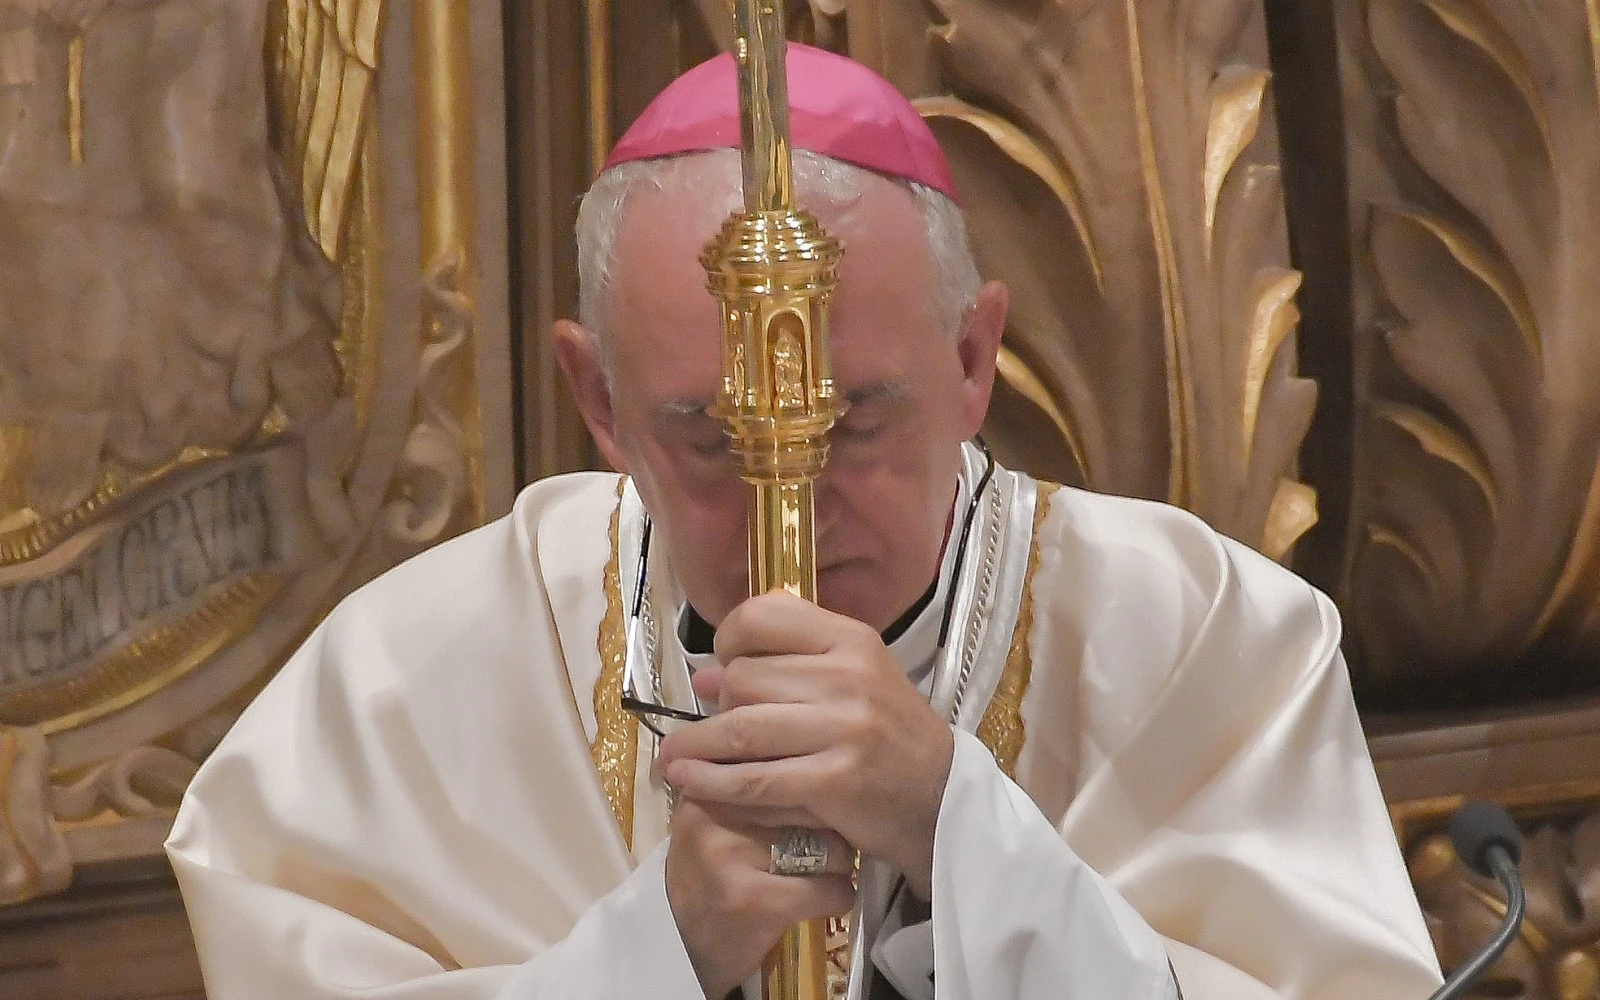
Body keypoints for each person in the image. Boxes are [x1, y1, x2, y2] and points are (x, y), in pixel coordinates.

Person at [166, 44, 1444, 1000]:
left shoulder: (1204, 640)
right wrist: (657, 949)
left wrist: (955, 826)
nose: (795, 502)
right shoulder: (401, 684)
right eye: (712, 439)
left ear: (971, 357)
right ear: (597, 400)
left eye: (860, 422)